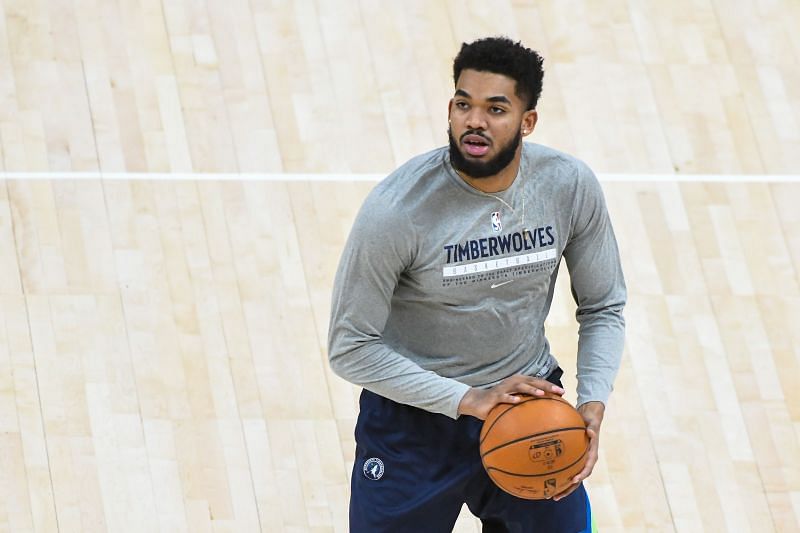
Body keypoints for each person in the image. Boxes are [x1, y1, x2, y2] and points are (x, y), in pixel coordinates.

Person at [328, 36, 626, 532]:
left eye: (495, 109)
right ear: (450, 109)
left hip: (528, 413)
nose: (475, 122)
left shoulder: (567, 186)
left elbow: (604, 305)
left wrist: (591, 401)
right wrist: (467, 399)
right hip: (412, 422)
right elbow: (348, 346)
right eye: (464, 104)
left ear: (527, 122)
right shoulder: (396, 211)